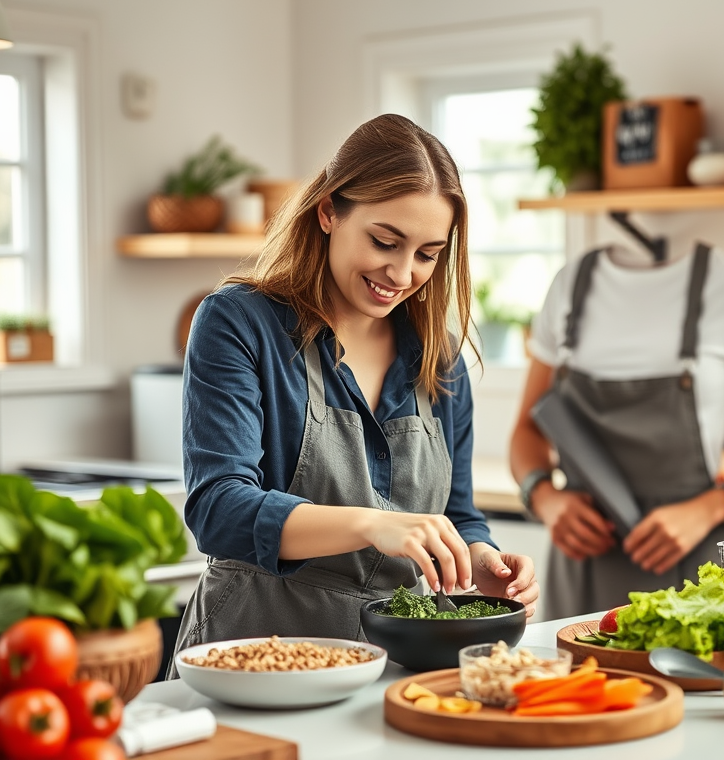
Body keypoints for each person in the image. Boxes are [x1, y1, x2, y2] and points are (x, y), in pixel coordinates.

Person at [169, 114, 539, 666]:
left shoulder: (439, 359)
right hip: (251, 654)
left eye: (428, 253)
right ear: (328, 211)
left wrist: (479, 558)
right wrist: (372, 524)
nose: (402, 272)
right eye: (385, 241)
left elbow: (457, 512)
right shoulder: (238, 324)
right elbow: (218, 508)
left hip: (392, 664)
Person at [509, 240, 724, 620]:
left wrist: (716, 505)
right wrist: (545, 497)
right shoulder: (569, 285)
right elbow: (528, 429)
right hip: (582, 566)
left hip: (695, 574)